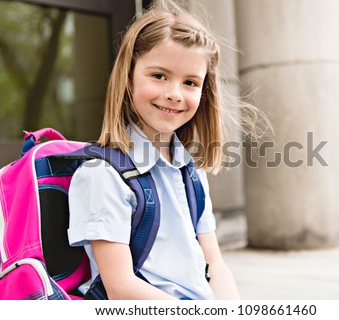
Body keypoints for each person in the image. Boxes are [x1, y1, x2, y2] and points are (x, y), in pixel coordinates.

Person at [68, 0, 259, 300]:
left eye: (190, 82)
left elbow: (215, 264)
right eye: (159, 76)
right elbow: (121, 288)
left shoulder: (192, 173)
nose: (174, 94)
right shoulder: (102, 175)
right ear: (128, 77)